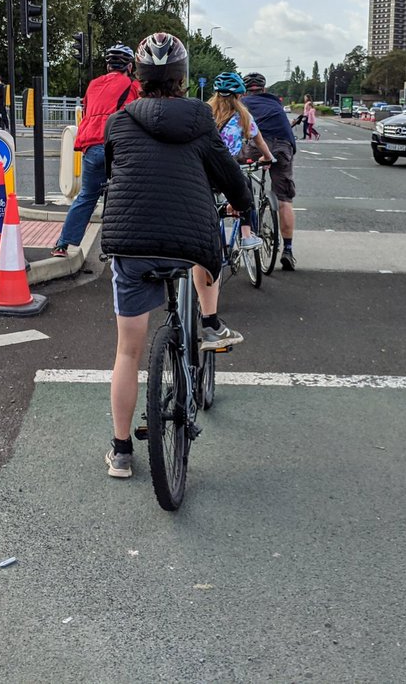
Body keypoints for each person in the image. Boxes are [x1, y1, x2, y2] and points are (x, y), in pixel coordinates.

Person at [100, 33, 253, 478]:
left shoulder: (119, 120)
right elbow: (230, 178)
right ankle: (208, 323)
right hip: (188, 240)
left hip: (130, 241)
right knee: (207, 255)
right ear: (183, 80)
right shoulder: (202, 121)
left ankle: (122, 451)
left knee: (127, 351)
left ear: (140, 78)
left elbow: (115, 171)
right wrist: (243, 206)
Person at [52, 45, 140, 258]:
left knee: (87, 196)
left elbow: (87, 109)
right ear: (129, 66)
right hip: (117, 146)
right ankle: (114, 248)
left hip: (91, 146)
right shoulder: (132, 85)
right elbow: (137, 114)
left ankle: (62, 245)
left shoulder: (93, 85)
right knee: (124, 197)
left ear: (108, 65)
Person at [209, 72, 274, 251]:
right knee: (244, 189)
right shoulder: (242, 117)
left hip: (205, 169)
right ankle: (246, 235)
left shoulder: (205, 112)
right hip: (227, 170)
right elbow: (259, 141)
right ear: (239, 95)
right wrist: (268, 158)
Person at [241, 72, 299, 270]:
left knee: (237, 167)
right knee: (284, 199)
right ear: (264, 89)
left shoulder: (243, 103)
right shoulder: (275, 103)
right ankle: (288, 250)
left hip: (258, 146)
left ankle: (243, 205)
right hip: (284, 146)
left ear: (245, 90)